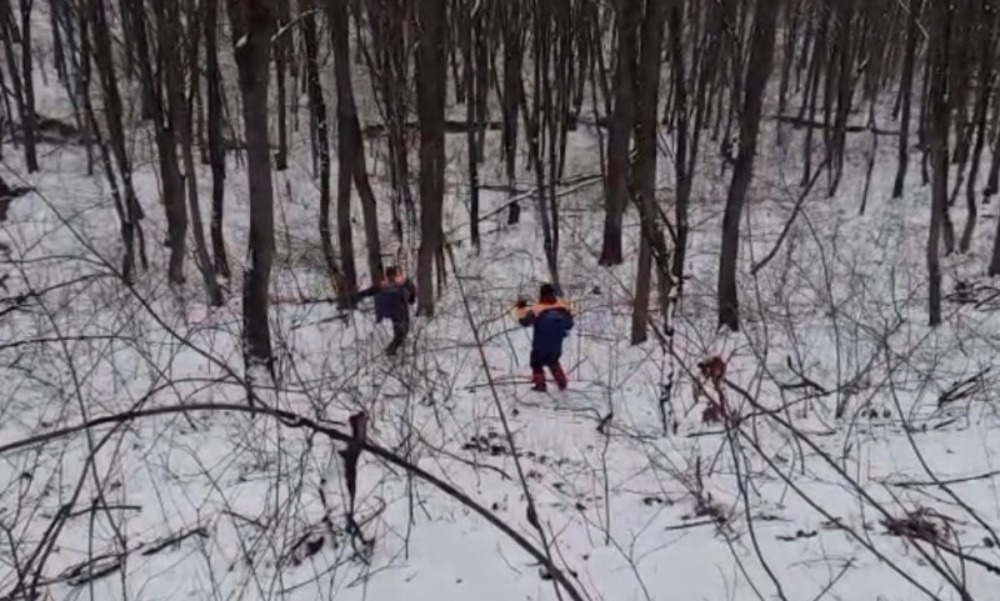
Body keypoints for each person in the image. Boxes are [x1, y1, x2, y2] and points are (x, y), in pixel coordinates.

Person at [513, 283, 574, 392]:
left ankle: (540, 385)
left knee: (536, 363)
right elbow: (569, 324)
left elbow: (524, 322)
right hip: (556, 345)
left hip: (540, 345)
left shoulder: (537, 309)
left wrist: (520, 308)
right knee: (553, 361)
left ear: (541, 295)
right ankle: (562, 383)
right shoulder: (562, 307)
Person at [353, 265, 417, 357]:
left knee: (400, 332)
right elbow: (412, 289)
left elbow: (369, 292)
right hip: (400, 311)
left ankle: (393, 349)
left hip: (393, 312)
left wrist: (356, 296)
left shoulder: (383, 285)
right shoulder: (402, 282)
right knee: (403, 331)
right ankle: (391, 351)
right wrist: (411, 298)